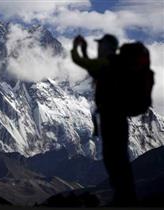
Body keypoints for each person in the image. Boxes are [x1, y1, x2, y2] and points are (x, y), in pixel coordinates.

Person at [71, 34, 137, 206]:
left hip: (110, 117)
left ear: (107, 47)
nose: (98, 48)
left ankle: (123, 198)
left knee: (112, 158)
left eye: (101, 45)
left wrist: (76, 47)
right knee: (120, 157)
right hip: (120, 118)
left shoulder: (105, 63)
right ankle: (126, 196)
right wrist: (86, 51)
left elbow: (80, 62)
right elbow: (92, 69)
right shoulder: (117, 65)